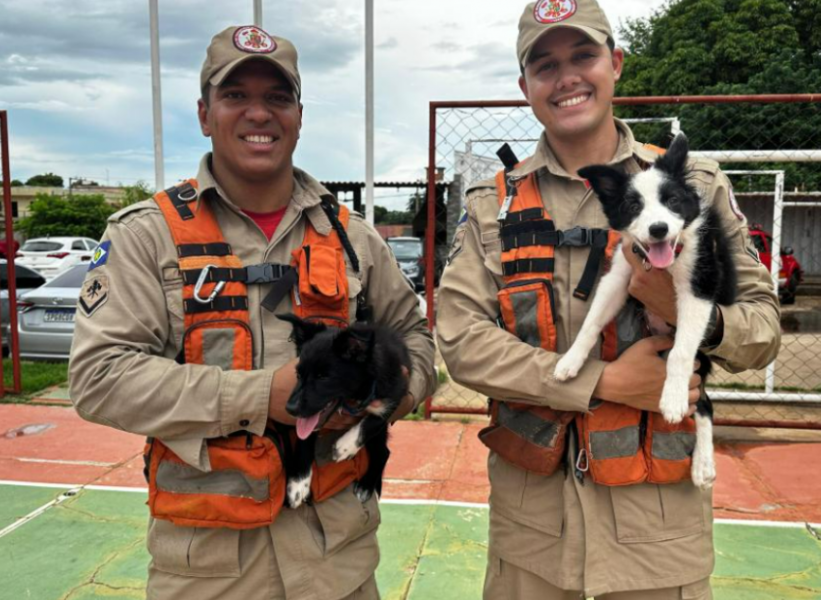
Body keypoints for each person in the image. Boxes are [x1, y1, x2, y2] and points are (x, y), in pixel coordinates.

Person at [69, 25, 435, 600]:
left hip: (336, 564)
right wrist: (262, 397)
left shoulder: (354, 237)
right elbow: (99, 378)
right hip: (207, 571)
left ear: (298, 114)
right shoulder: (148, 237)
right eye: (235, 95)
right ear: (203, 113)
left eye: (277, 97)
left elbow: (415, 337)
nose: (258, 113)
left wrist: (387, 399)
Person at [436, 2, 780, 598]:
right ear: (525, 87)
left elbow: (763, 329)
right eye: (545, 65)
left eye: (584, 56)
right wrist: (599, 382)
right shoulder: (492, 206)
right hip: (531, 548)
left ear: (616, 64)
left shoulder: (694, 185)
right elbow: (462, 344)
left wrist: (684, 314)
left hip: (658, 547)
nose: (566, 77)